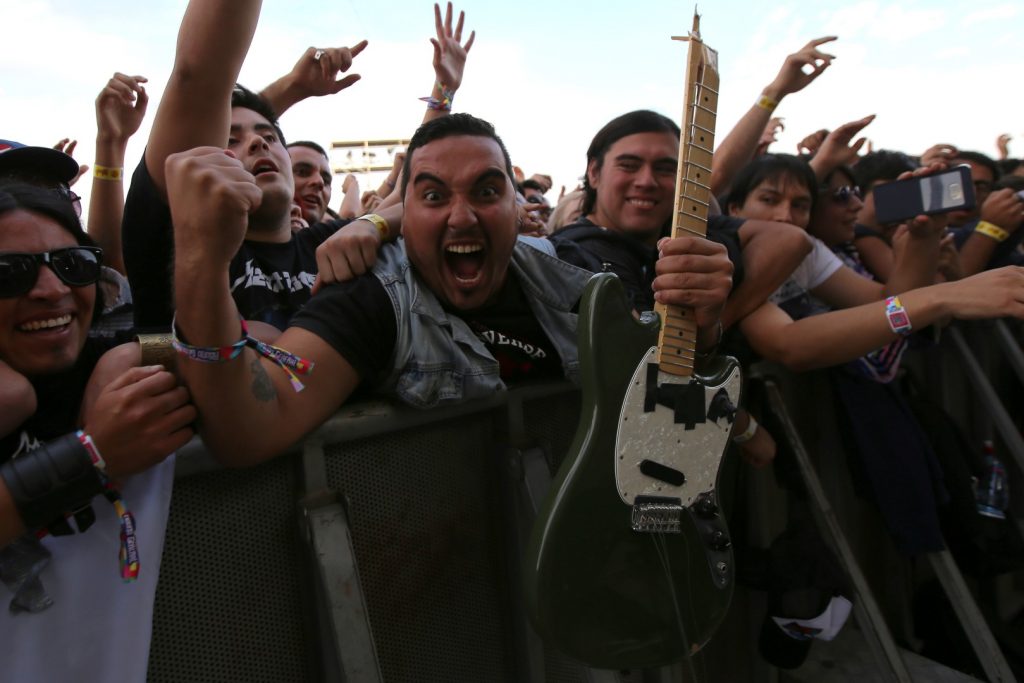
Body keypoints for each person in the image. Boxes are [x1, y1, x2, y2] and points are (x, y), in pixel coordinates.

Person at [168, 112, 733, 465]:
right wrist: (199, 257)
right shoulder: (371, 297)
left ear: (518, 210)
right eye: (434, 196)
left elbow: (667, 407)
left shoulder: (575, 277)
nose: (462, 218)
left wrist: (702, 328)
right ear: (403, 216)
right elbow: (250, 429)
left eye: (486, 192)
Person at [0, 182, 194, 681]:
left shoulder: (105, 357)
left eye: (73, 264)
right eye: (9, 272)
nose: (52, 289)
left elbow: (258, 340)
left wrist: (141, 352)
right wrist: (92, 456)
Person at [121, 0, 395, 331]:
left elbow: (421, 192)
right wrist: (291, 87)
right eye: (231, 140)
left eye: (269, 136)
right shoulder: (177, 235)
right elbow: (200, 77)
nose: (258, 143)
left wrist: (373, 224)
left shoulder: (327, 241)